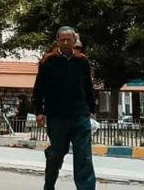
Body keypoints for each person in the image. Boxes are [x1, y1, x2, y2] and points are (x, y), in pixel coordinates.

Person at [32, 26, 96, 190]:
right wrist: (39, 111)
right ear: (57, 41)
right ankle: (49, 183)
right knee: (58, 153)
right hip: (56, 116)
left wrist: (92, 110)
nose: (66, 42)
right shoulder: (48, 60)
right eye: (63, 39)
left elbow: (88, 87)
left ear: (75, 41)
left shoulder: (82, 61)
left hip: (80, 115)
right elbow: (39, 88)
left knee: (84, 156)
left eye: (69, 39)